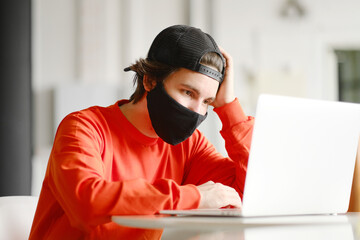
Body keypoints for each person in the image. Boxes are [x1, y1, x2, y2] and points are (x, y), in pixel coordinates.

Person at [29, 25, 254, 239]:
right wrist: (195, 197)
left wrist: (229, 107)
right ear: (150, 81)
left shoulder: (190, 145)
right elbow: (87, 203)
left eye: (207, 101)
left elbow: (249, 196)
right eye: (188, 92)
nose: (197, 111)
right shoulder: (84, 127)